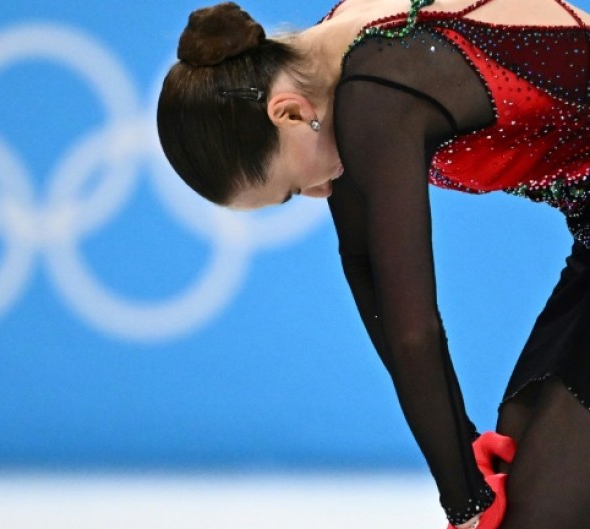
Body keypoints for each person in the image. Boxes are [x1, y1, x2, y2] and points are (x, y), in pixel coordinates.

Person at [156, 0, 590, 527]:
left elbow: (414, 330)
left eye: (293, 189)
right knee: (525, 467)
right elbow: (366, 272)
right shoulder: (336, 67)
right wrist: (461, 452)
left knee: (540, 512)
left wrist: (465, 502)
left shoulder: (374, 95)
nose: (319, 193)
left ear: (289, 112)